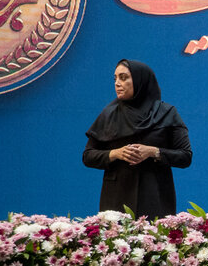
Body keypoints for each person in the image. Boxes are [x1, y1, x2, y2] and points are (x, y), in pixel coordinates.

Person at [82, 59, 192, 219]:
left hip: (155, 195)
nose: (117, 83)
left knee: (153, 235)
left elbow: (185, 156)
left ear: (140, 80)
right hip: (116, 198)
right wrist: (115, 153)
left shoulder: (167, 113)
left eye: (123, 78)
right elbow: (88, 156)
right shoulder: (109, 114)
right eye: (115, 78)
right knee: (117, 235)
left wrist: (154, 152)